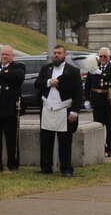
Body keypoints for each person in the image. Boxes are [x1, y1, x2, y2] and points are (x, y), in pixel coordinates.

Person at [35, 45, 83, 177]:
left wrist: (75, 112)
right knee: (45, 140)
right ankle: (45, 167)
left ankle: (66, 168)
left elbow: (78, 93)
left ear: (65, 55)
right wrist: (49, 82)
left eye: (59, 53)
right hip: (47, 108)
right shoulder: (46, 69)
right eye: (55, 53)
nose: (56, 55)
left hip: (64, 109)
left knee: (65, 141)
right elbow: (37, 84)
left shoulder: (73, 70)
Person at [0, 45, 25, 171]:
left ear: (12, 56)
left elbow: (16, 76)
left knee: (11, 139)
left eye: (7, 54)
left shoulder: (18, 67)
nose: (4, 56)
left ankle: (12, 164)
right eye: (2, 54)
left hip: (10, 110)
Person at [86, 47, 111, 157]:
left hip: (109, 100)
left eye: (105, 56)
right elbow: (88, 84)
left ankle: (110, 148)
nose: (103, 58)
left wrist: (101, 73)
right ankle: (101, 147)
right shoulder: (93, 66)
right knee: (97, 125)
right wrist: (86, 99)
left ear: (109, 57)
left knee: (110, 126)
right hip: (97, 100)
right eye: (101, 56)